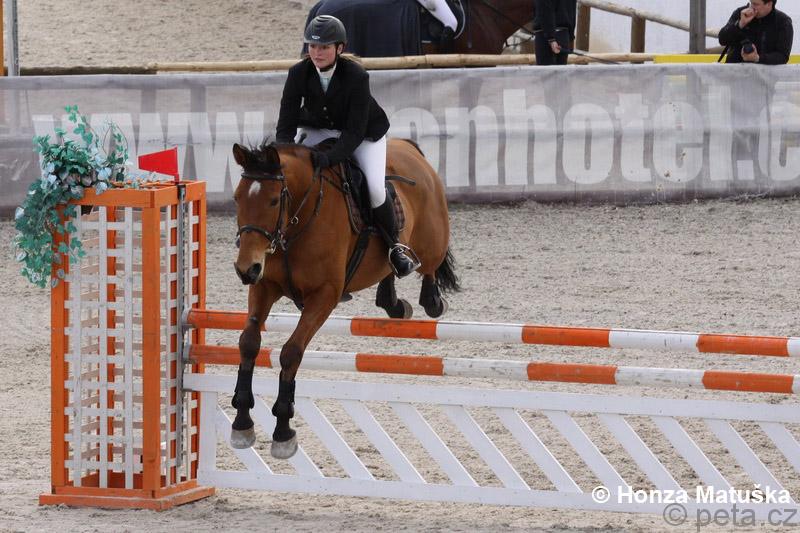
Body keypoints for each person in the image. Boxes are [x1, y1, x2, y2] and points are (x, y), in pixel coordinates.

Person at [275, 15, 419, 278]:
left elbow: (353, 133)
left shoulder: (356, 76)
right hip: (318, 129)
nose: (317, 53)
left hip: (363, 136)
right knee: (288, 177)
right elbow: (286, 122)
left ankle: (395, 249)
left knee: (374, 189)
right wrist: (283, 157)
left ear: (339, 48)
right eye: (313, 46)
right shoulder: (298, 73)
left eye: (324, 47)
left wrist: (329, 158)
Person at [718, 0, 793, 64]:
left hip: (765, 74)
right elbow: (722, 40)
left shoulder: (783, 22)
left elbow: (783, 56)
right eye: (751, 3)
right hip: (734, 72)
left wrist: (757, 58)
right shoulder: (741, 13)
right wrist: (740, 24)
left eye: (755, 4)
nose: (751, 8)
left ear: (769, 4)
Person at [533, 0, 577, 66]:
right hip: (564, 34)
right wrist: (570, 36)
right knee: (560, 70)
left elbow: (544, 8)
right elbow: (572, 10)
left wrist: (551, 38)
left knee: (545, 70)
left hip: (545, 35)